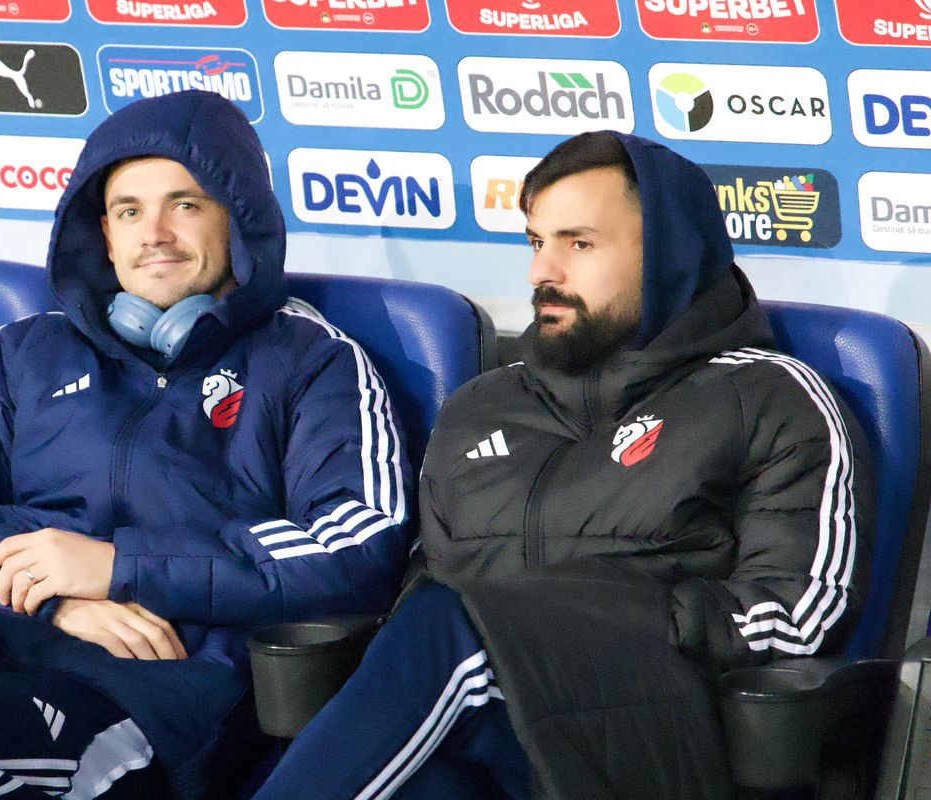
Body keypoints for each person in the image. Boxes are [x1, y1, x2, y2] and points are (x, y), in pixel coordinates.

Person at [0, 90, 411, 800]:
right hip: (0, 633)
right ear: (104, 233)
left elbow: (357, 544)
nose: (154, 232)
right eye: (129, 211)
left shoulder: (312, 361)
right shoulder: (26, 351)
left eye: (184, 205)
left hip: (151, 684)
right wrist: (55, 598)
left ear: (238, 219)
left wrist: (119, 567)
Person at [251, 131, 874, 800]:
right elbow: (424, 586)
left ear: (670, 255)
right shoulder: (479, 408)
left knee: (451, 629)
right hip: (492, 722)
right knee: (426, 770)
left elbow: (802, 614)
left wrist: (596, 618)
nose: (541, 272)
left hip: (661, 723)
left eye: (578, 244)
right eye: (536, 242)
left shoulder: (769, 395)